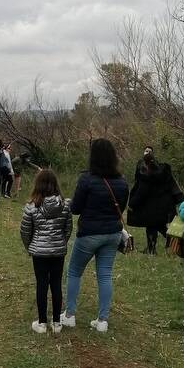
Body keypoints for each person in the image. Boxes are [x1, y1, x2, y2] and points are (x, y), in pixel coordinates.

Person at [61, 138, 129, 332]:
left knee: (74, 271)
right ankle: (102, 320)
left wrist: (70, 202)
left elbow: (75, 209)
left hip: (89, 233)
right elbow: (120, 209)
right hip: (113, 234)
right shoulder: (122, 182)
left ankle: (69, 315)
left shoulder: (86, 179)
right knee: (105, 275)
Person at [20, 169, 73, 333]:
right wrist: (62, 242)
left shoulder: (31, 206)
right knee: (56, 284)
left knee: (42, 284)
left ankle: (42, 322)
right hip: (58, 251)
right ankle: (57, 322)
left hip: (39, 251)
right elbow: (68, 228)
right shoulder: (65, 205)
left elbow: (25, 231)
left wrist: (30, 246)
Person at [127, 146, 183, 254]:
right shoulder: (162, 171)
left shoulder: (146, 175)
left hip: (152, 208)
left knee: (153, 226)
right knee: (157, 226)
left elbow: (141, 193)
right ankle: (152, 248)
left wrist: (132, 204)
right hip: (164, 207)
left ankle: (154, 248)